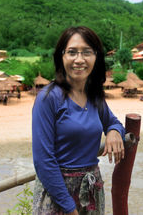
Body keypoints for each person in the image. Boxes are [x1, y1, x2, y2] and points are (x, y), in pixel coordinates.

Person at [32, 26, 125, 215]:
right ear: (61, 56)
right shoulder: (48, 98)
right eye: (72, 52)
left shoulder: (94, 96)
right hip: (57, 195)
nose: (79, 60)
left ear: (96, 57)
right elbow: (44, 161)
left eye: (87, 53)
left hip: (91, 191)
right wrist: (69, 208)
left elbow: (114, 122)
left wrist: (113, 132)